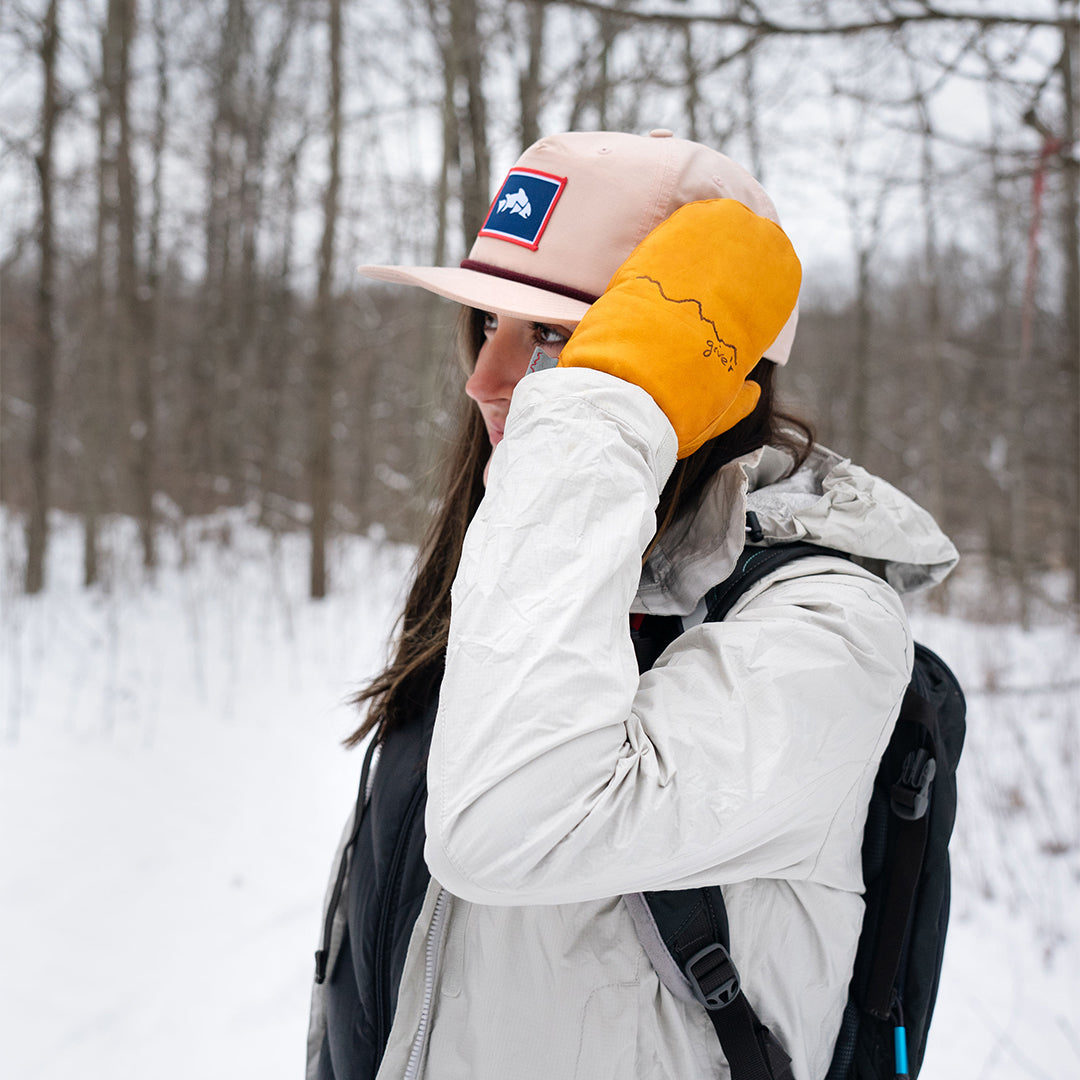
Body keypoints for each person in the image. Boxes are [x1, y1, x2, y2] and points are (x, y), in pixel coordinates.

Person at [306, 130, 958, 1080]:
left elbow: (509, 830)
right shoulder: (537, 572)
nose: (484, 379)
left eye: (559, 338)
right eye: (490, 326)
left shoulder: (827, 632)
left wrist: (605, 410)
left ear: (709, 369)